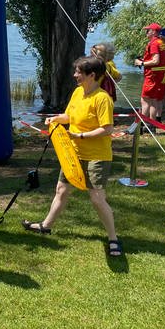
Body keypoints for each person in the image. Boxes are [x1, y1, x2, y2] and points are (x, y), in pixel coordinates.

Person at [22, 55, 122, 257]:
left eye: (79, 72)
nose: (75, 75)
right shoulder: (78, 93)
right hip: (73, 154)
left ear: (92, 75)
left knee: (97, 199)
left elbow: (107, 129)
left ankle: (113, 239)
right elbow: (70, 116)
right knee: (61, 190)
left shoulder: (102, 99)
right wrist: (55, 118)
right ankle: (46, 225)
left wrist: (81, 135)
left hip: (97, 156)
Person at [133, 22, 165, 132]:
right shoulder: (161, 42)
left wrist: (141, 63)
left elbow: (156, 60)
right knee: (153, 100)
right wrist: (144, 60)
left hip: (152, 76)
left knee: (145, 100)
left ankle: (143, 124)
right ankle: (151, 126)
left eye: (148, 30)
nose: (146, 32)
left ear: (154, 32)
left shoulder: (153, 43)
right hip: (159, 75)